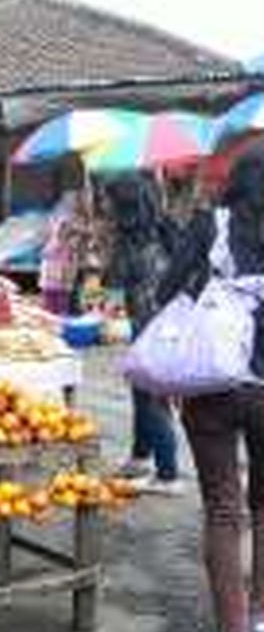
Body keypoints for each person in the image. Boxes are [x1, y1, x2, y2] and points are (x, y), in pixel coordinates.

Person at [156, 149, 264, 632]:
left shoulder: (208, 225)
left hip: (214, 385)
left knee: (225, 509)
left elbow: (167, 290)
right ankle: (262, 620)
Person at [104, 176, 182, 496]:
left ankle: (168, 474)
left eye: (110, 201)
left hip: (151, 325)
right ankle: (140, 457)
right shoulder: (164, 227)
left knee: (152, 396)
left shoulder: (132, 239)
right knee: (142, 390)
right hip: (167, 322)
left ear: (125, 206)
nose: (105, 207)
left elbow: (113, 281)